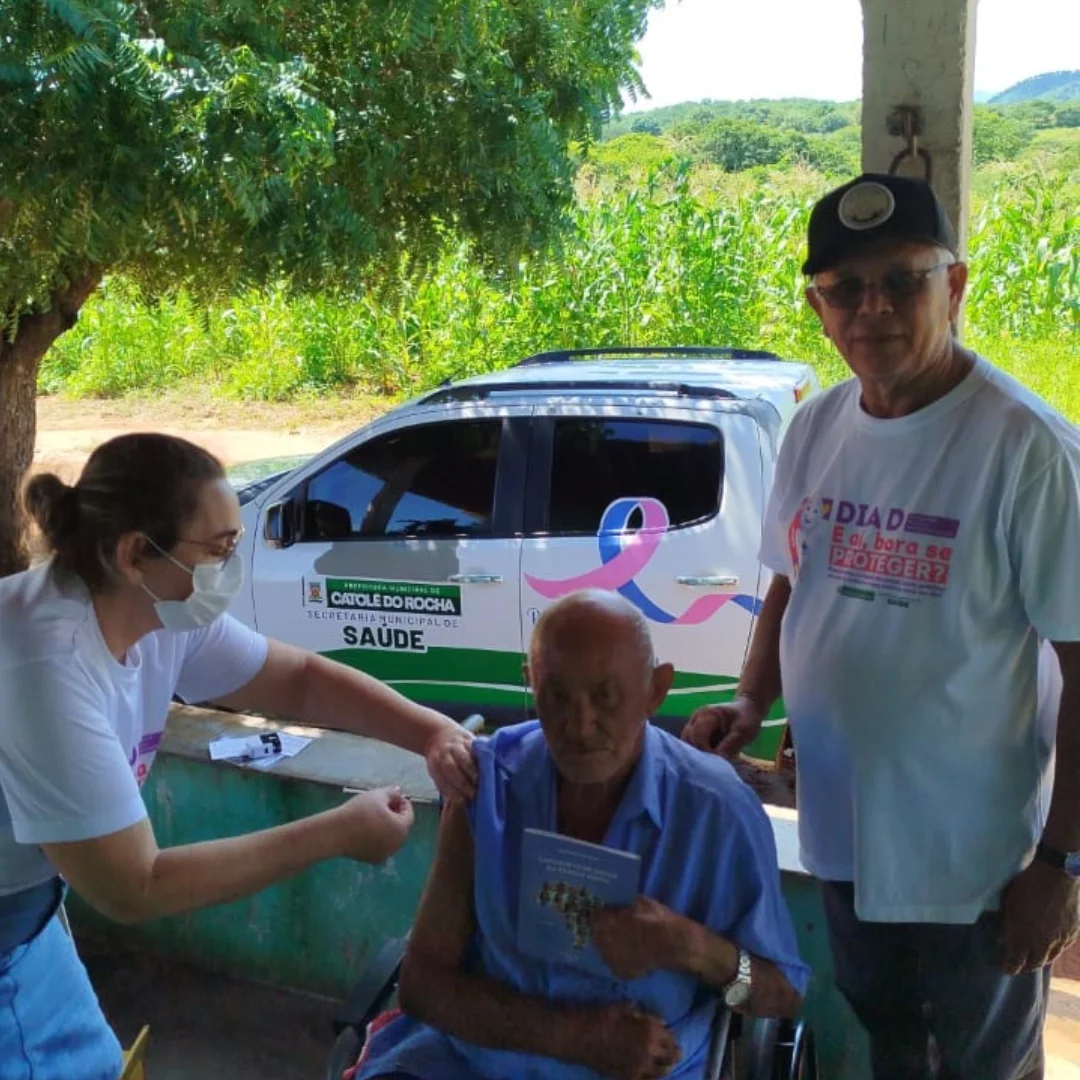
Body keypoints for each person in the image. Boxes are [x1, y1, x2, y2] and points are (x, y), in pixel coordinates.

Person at [683, 172, 1080, 1080]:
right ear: (818, 310)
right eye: (846, 288)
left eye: (903, 280)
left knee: (981, 1064)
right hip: (845, 841)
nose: (874, 308)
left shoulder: (1028, 450)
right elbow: (790, 582)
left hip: (971, 875)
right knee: (896, 1050)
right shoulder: (817, 426)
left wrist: (1061, 866)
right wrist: (751, 701)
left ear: (956, 285)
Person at [0, 433, 477, 1080]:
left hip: (31, 912)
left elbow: (296, 681)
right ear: (136, 552)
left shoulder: (156, 613)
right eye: (218, 550)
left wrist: (430, 734)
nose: (231, 568)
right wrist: (337, 833)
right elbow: (135, 886)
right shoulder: (44, 664)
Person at [353, 589, 809, 1080]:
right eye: (557, 696)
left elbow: (780, 995)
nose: (580, 725)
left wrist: (692, 947)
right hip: (473, 1061)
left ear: (656, 691)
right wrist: (574, 1037)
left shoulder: (716, 810)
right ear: (531, 683)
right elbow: (422, 985)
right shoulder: (490, 782)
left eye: (605, 696)